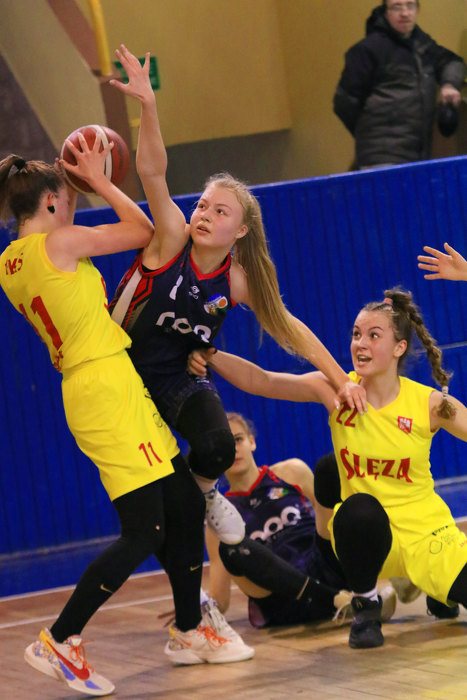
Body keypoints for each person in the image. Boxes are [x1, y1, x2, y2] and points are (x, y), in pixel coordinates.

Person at [0, 141, 250, 697]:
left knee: (184, 501)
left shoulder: (10, 261)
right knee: (146, 530)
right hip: (103, 389)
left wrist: (78, 182)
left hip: (109, 382)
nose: (72, 206)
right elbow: (142, 230)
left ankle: (189, 629)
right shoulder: (59, 242)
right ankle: (60, 639)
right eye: (66, 198)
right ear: (49, 203)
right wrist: (99, 179)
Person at [107, 45, 367, 546]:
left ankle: (206, 492)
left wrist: (342, 381)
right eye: (203, 205)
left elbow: (290, 329)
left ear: (241, 230)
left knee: (219, 445)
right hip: (125, 374)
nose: (204, 214)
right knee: (153, 518)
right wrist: (148, 107)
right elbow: (153, 173)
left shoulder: (237, 281)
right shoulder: (173, 238)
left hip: (177, 375)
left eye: (219, 211)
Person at [189, 286, 467, 649]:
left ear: (399, 347)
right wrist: (211, 354)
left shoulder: (429, 403)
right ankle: (366, 605)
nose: (360, 343)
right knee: (358, 508)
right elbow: (262, 380)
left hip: (426, 532)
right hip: (364, 534)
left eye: (373, 335)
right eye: (356, 334)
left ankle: (439, 590)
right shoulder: (337, 391)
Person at [207, 412, 398, 629]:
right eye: (224, 445)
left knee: (330, 467)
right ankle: (340, 601)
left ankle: (389, 566)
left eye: (238, 439)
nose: (233, 449)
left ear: (251, 442)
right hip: (282, 600)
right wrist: (194, 607)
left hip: (325, 568)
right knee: (230, 548)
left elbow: (333, 520)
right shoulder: (218, 515)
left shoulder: (291, 472)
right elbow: (220, 600)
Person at [333, 1, 466, 169]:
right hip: (381, 157)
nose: (405, 13)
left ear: (417, 10)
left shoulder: (423, 46)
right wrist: (370, 133)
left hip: (417, 154)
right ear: (386, 12)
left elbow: (452, 62)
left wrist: (450, 84)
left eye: (410, 5)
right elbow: (344, 103)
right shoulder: (367, 51)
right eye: (397, 7)